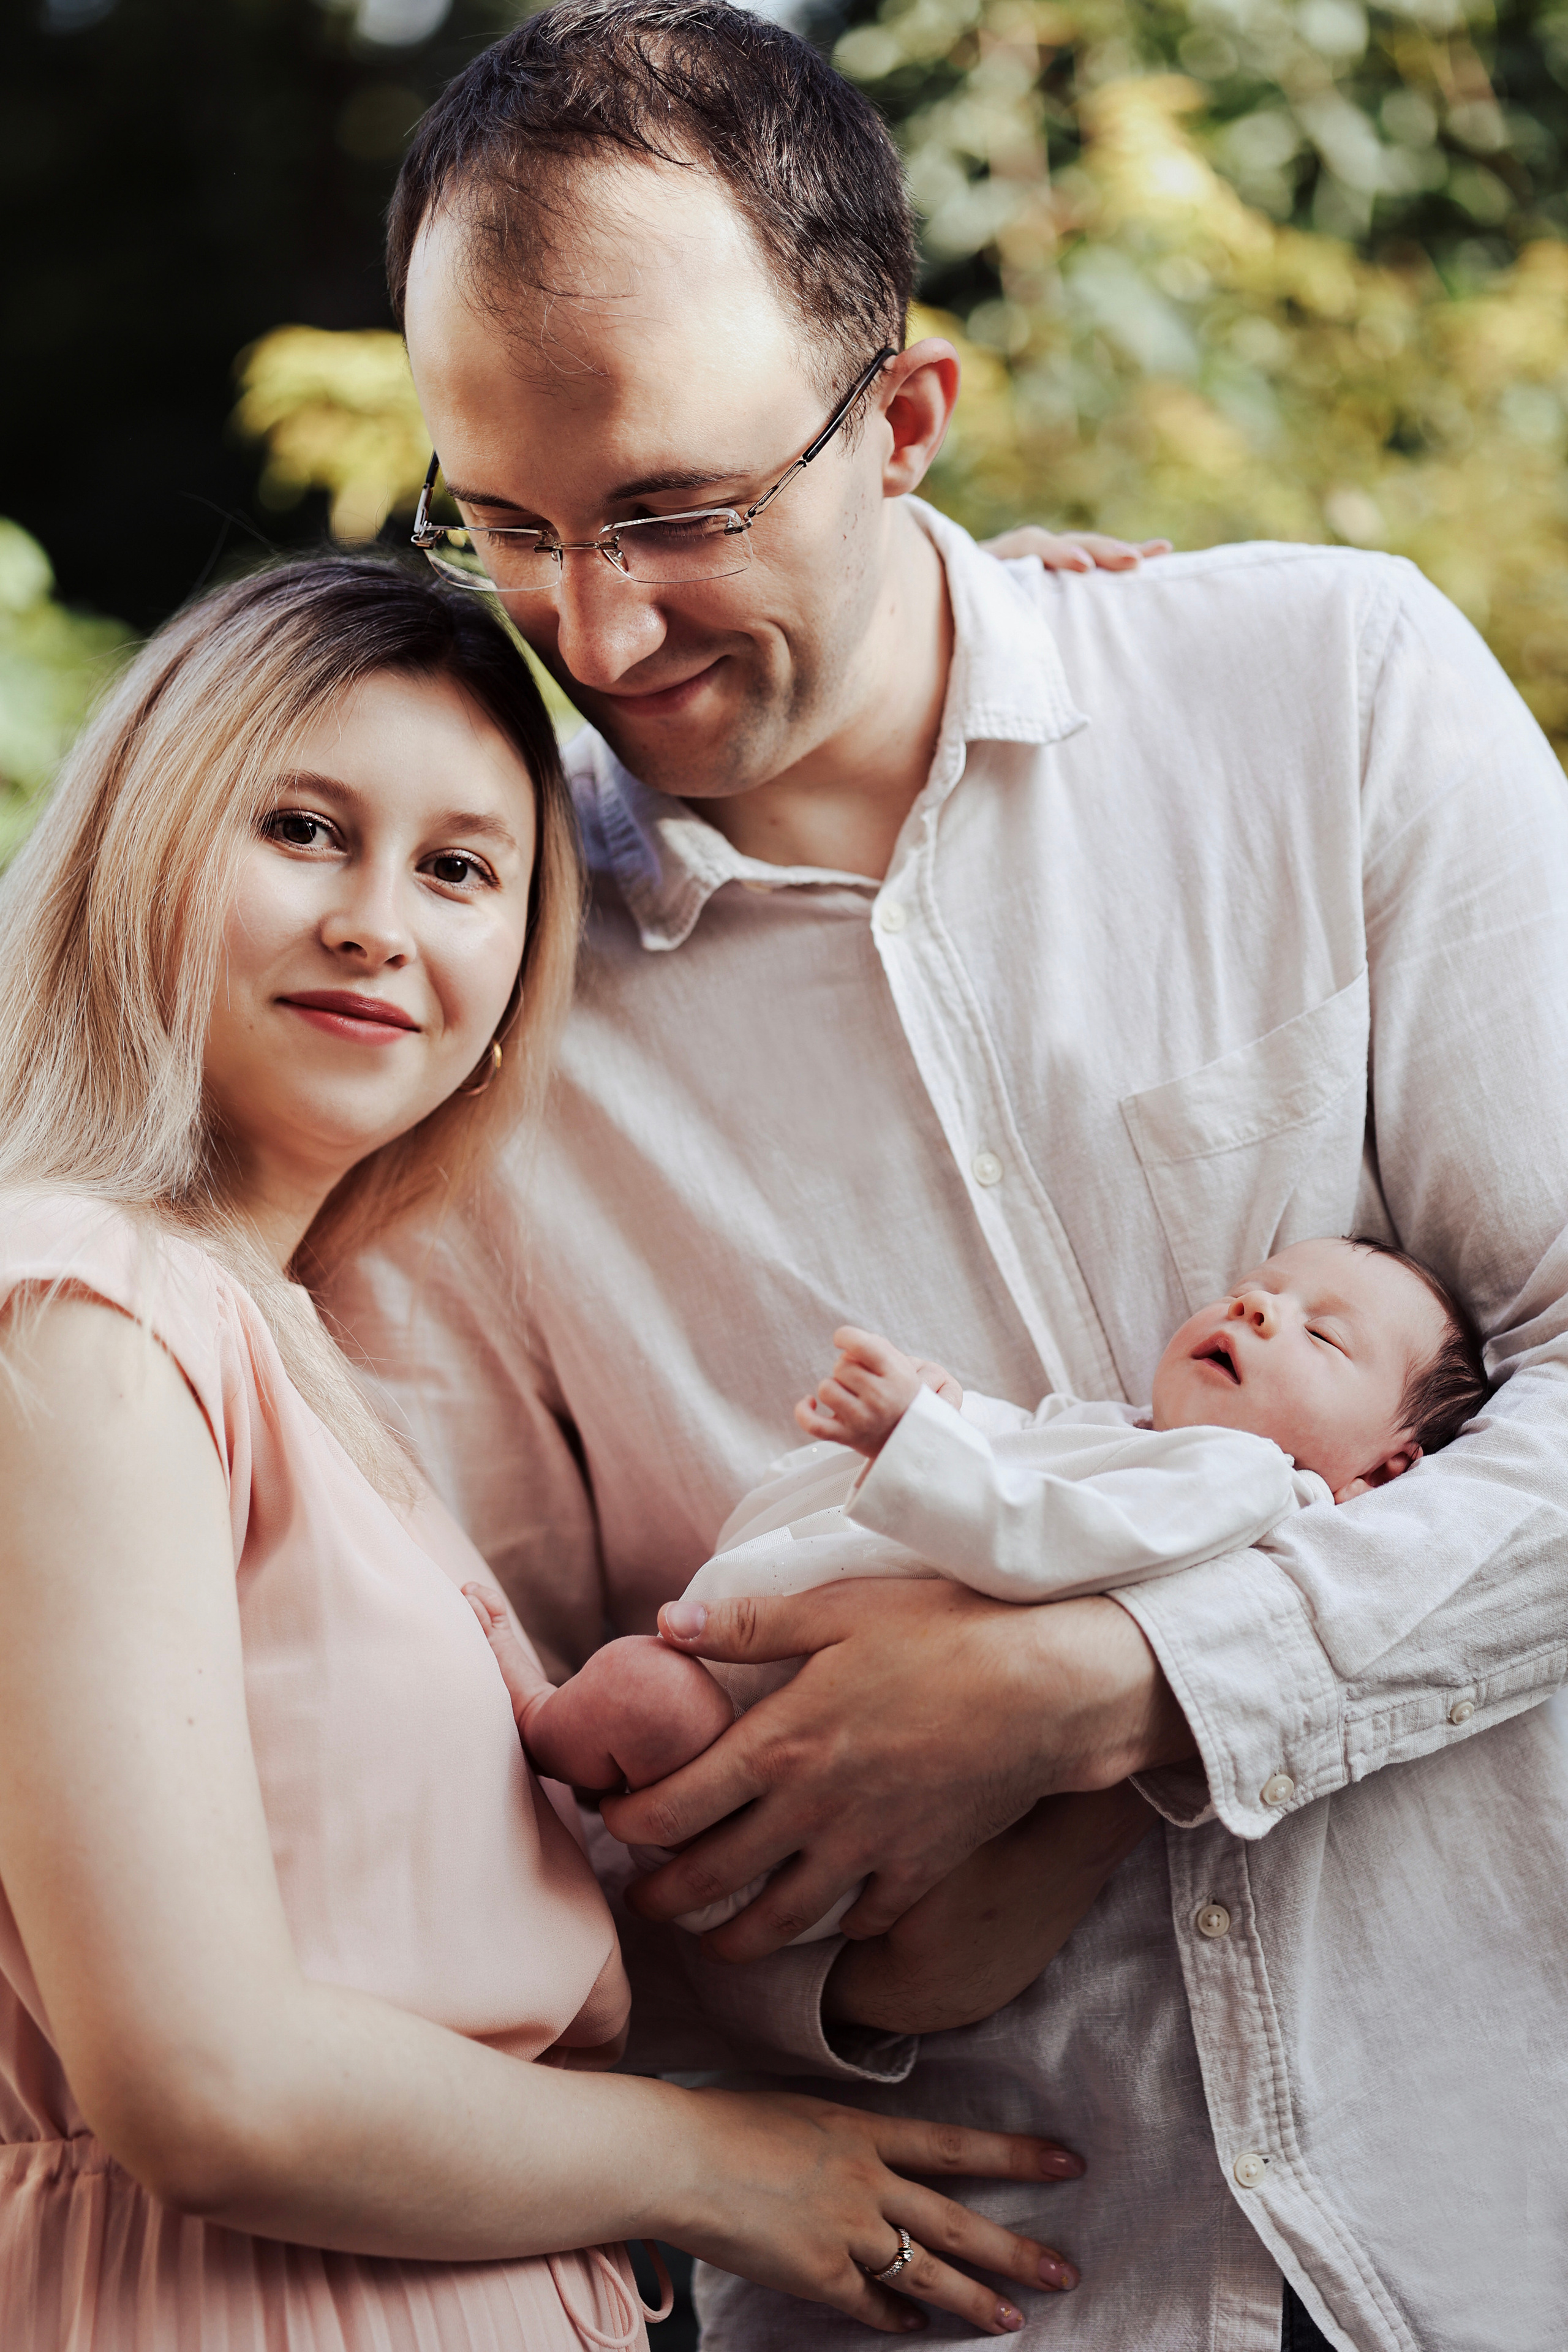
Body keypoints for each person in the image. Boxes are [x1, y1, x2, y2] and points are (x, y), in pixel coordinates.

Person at [333, 2, 1568, 2345]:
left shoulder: (1328, 697)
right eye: (506, 525)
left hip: (1508, 2200)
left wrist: (1111, 1682)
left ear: (904, 421)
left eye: (679, 515)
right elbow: (485, 1791)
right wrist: (822, 1967)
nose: (598, 634)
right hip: (994, 2295)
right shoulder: (460, 1024)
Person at [0, 554, 1089, 2352]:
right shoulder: (83, 1312)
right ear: (140, 844)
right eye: (300, 828)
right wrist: (718, 2166)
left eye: (458, 870)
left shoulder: (295, 1354)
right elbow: (203, 2084)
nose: (377, 922)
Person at [480, 1237, 1489, 1950]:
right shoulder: (1130, 1434)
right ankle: (542, 1758)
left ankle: (525, 1724)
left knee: (634, 1700)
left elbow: (1053, 1539)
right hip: (789, 1704)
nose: (1258, 1309)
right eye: (1252, 1291)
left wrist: (907, 1440)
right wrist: (945, 1411)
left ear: (1386, 1471)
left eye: (1322, 1338)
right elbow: (1029, 1450)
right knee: (637, 1709)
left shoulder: (1242, 1479)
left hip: (822, 1772)